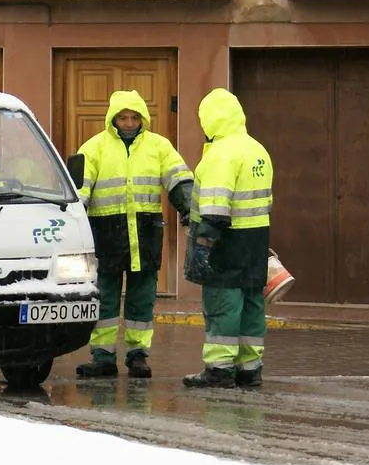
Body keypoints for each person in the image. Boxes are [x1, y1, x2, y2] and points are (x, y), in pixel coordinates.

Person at [75, 90, 193, 379]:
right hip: (105, 234)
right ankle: (102, 356)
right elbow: (80, 189)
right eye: (123, 118)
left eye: (134, 117)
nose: (128, 123)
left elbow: (179, 179)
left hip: (144, 234)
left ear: (143, 118)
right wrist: (73, 219)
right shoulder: (94, 147)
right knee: (105, 296)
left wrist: (188, 207)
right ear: (112, 119)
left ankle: (138, 355)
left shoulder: (159, 146)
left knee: (142, 296)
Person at [182, 87, 274, 389]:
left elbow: (216, 209)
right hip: (255, 240)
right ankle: (250, 367)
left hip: (225, 241)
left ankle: (219, 368)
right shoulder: (258, 150)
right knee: (251, 304)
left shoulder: (221, 155)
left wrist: (203, 246)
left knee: (223, 303)